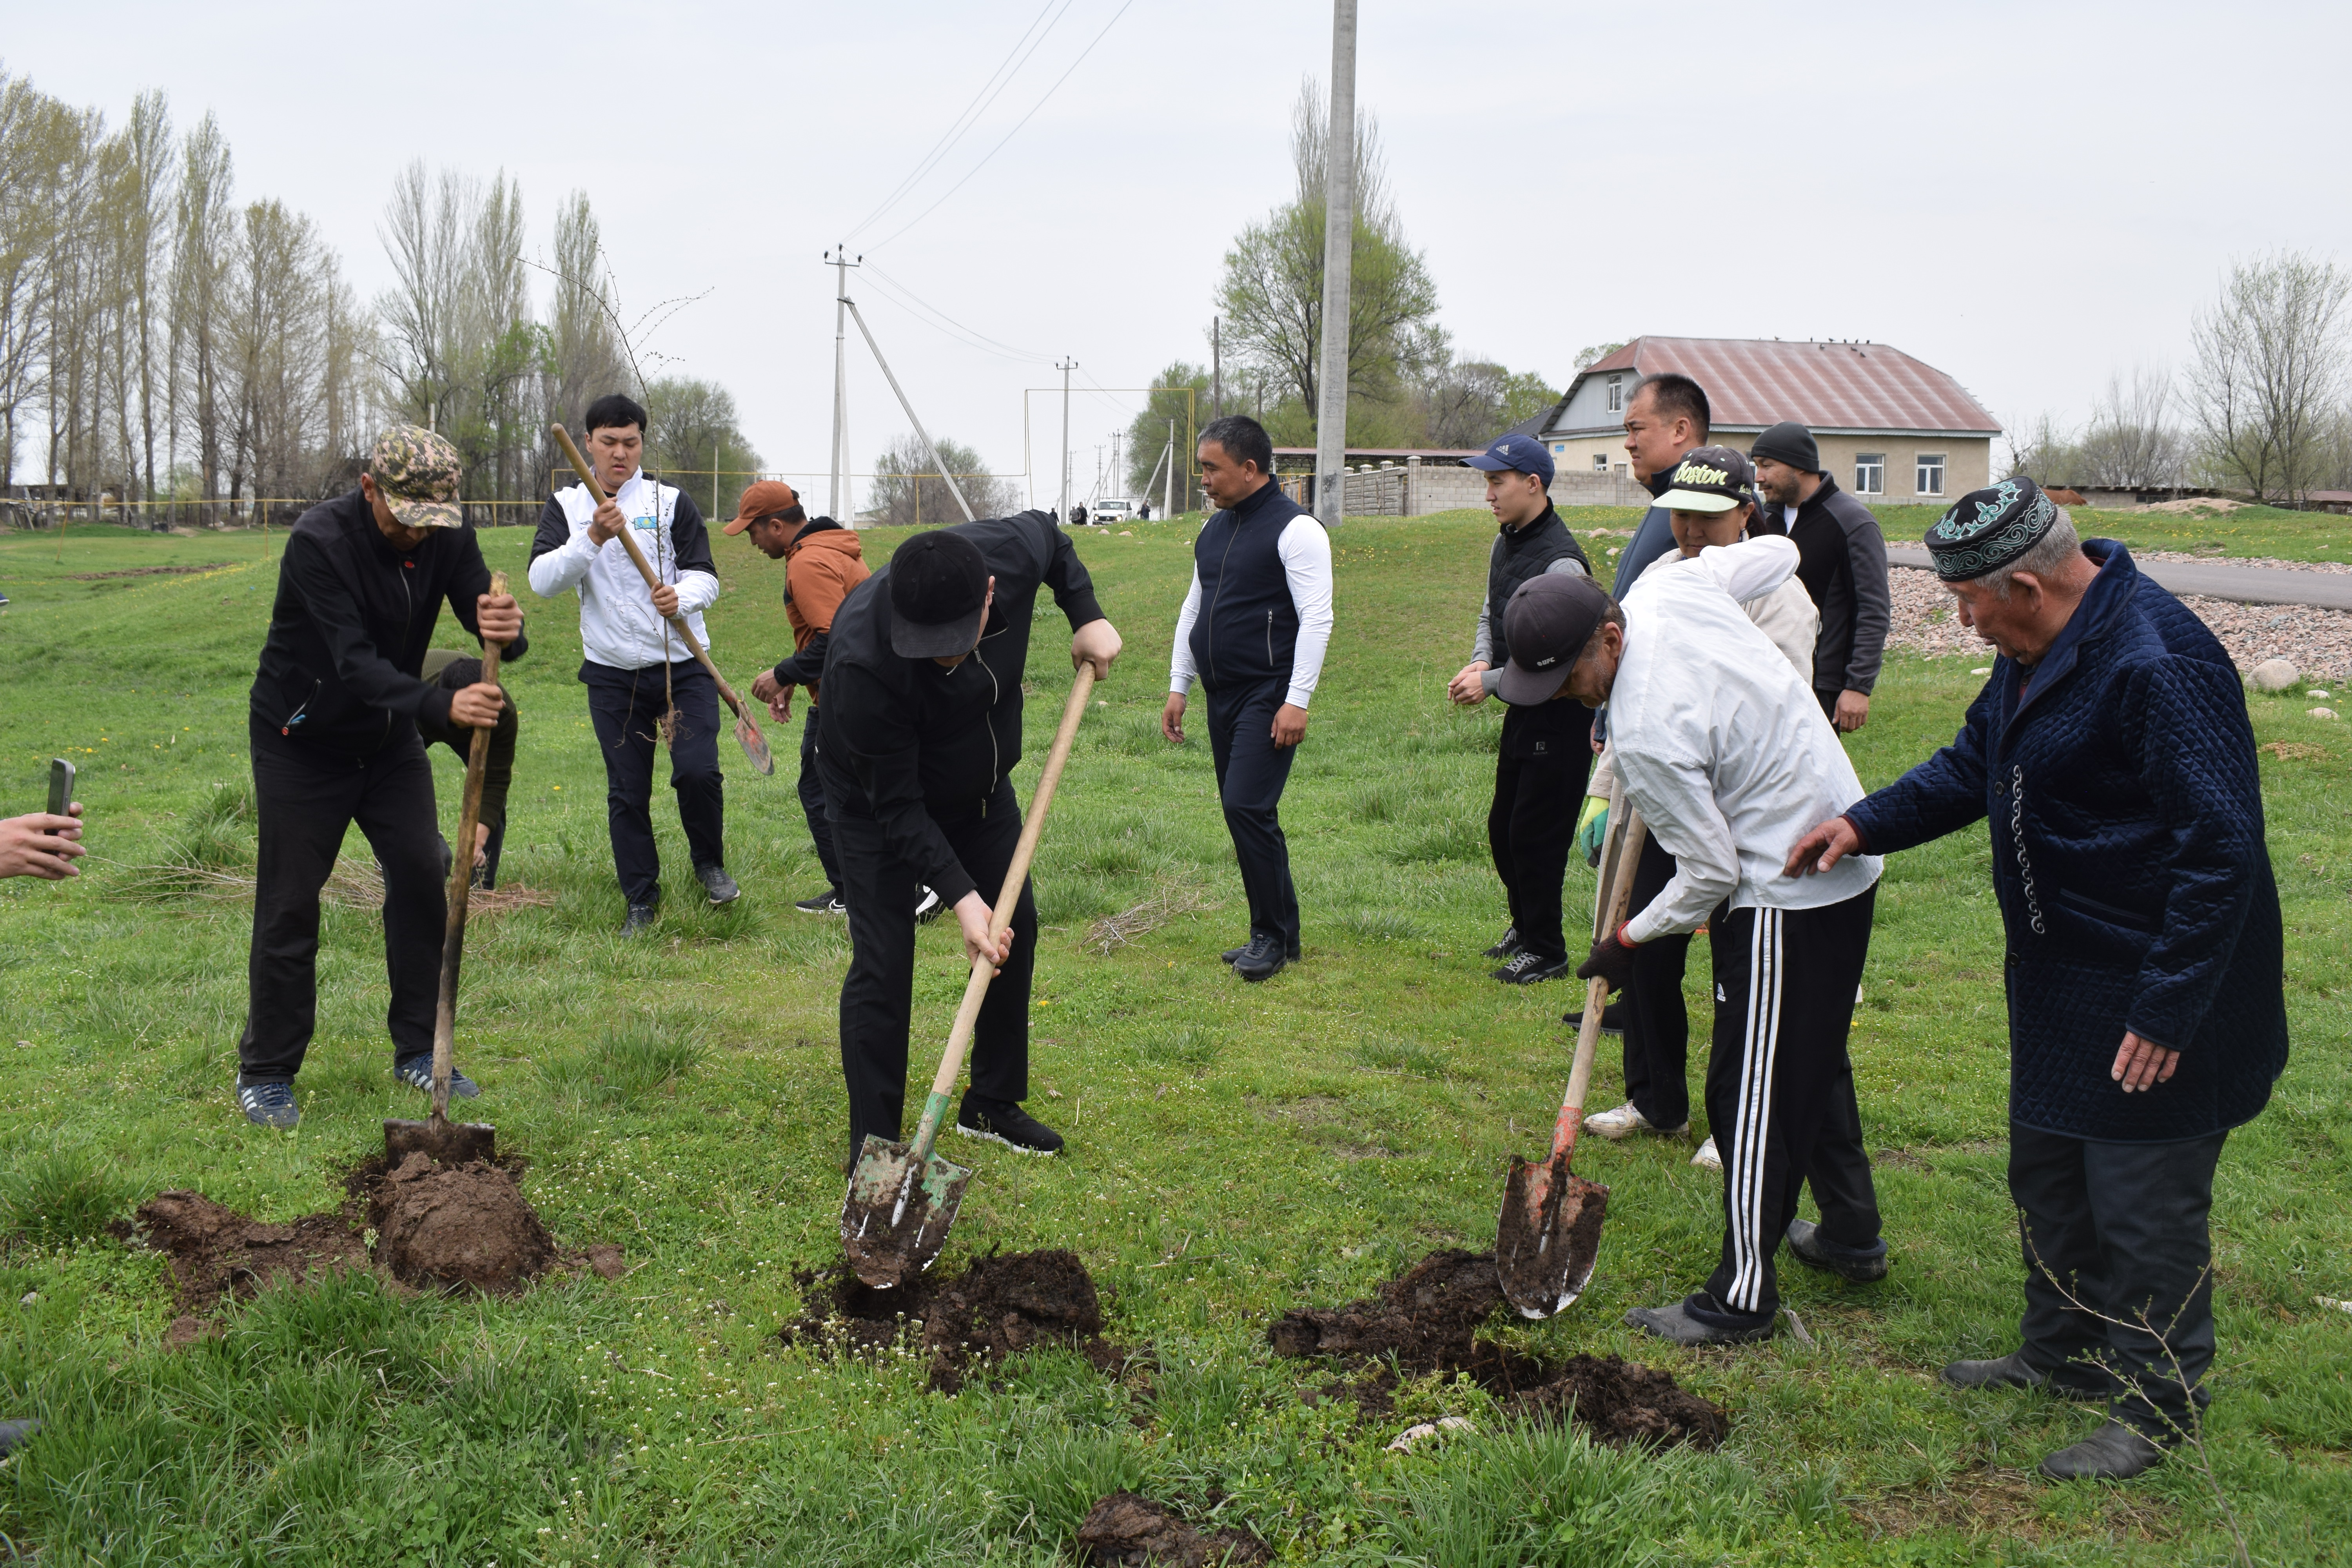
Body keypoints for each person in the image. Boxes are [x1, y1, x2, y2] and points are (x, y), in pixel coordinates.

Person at [1783, 479, 2288, 1482]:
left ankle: (2156, 1400)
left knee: (2141, 1200)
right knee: (2049, 1171)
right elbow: (1978, 762)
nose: (1963, 624)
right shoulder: (2034, 653)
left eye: (1969, 604)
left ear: (2024, 584)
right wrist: (1865, 821)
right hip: (2063, 977)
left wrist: (2169, 1002)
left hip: (2157, 986)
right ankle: (2060, 1351)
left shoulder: (2158, 662)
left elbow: (2221, 850)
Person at [1492, 532, 1884, 1348]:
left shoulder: (1646, 730)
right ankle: (1851, 1233)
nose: (1565, 698)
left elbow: (1706, 873)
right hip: (1839, 837)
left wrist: (1626, 939)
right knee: (1802, 1056)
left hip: (1788, 882)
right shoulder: (1670, 589)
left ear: (1608, 637)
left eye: (1568, 679)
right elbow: (1778, 550)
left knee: (1748, 1090)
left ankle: (1740, 1296)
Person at [238, 426, 525, 1131]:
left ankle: (421, 1050)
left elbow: (486, 621)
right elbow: (354, 662)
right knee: (290, 903)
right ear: (370, 489)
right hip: (301, 740)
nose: (419, 536)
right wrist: (441, 703)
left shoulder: (445, 531)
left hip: (387, 740)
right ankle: (268, 1071)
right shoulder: (319, 542)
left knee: (425, 874)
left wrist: (508, 629)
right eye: (406, 518)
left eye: (434, 521)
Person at [821, 516, 1122, 1165]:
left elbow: (1054, 537)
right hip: (875, 806)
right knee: (885, 959)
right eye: (924, 642)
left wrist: (1086, 614)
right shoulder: (861, 663)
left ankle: (991, 1101)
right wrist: (961, 898)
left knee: (1018, 927)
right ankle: (873, 1144)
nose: (942, 656)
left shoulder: (1009, 555)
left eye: (953, 640)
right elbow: (898, 809)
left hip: (981, 790)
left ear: (990, 593)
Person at [1581, 448, 1833, 1184]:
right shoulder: (1660, 580)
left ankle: (1732, 1123)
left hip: (1746, 818)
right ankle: (1655, 1100)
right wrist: (1604, 788)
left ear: (1746, 515)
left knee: (1738, 969)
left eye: (1706, 516)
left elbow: (1778, 720)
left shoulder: (1782, 599)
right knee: (1645, 950)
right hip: (1663, 801)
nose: (1688, 529)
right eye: (1678, 515)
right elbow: (1624, 695)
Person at [529, 394, 736, 934]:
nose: (620, 453)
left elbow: (706, 576)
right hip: (612, 675)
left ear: (641, 444)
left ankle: (709, 864)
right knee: (628, 791)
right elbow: (542, 581)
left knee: (697, 772)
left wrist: (681, 597)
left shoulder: (670, 502)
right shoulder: (568, 507)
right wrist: (594, 536)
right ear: (589, 443)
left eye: (631, 442)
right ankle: (640, 899)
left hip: (683, 667)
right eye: (608, 442)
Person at [1161, 415, 1334, 982]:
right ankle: (1280, 931)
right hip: (1222, 695)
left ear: (1250, 469)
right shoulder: (1213, 531)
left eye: (1212, 468)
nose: (1204, 480)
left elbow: (1317, 618)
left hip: (1270, 692)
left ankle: (1271, 937)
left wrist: (1297, 699)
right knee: (1247, 815)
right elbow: (1195, 609)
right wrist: (1178, 685)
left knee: (1246, 807)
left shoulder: (1297, 529)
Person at [1446, 432, 1593, 985]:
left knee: (1537, 836)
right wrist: (1479, 663)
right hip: (1522, 704)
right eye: (1486, 481)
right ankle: (1524, 925)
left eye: (1497, 481)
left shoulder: (1562, 566)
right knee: (1504, 827)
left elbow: (1566, 664)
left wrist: (1487, 681)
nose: (1488, 493)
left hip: (1562, 714)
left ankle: (1547, 949)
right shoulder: (1506, 540)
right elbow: (1493, 613)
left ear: (1533, 485)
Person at [731, 482, 882, 916]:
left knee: (825, 792)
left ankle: (865, 890)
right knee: (834, 789)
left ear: (776, 525)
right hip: (848, 690)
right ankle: (859, 886)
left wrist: (782, 674)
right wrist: (799, 677)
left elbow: (839, 638)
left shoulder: (808, 562)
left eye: (753, 532)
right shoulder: (828, 549)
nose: (753, 542)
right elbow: (829, 632)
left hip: (850, 693)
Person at [1751, 421, 1889, 733]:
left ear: (1799, 466)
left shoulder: (1853, 522)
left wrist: (1858, 686)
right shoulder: (1766, 518)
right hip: (1764, 672)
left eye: (1767, 466)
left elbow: (1873, 610)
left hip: (1820, 683)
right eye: (1757, 466)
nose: (1758, 477)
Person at [1606, 373, 1718, 599]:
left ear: (1679, 431)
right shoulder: (1667, 493)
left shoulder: (1717, 497)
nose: (1628, 443)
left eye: (1636, 429)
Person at [418, 648, 518, 890]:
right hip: (422, 717)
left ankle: (480, 885)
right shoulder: (416, 703)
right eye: (472, 710)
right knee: (405, 780)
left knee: (490, 798)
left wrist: (477, 841)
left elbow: (495, 781)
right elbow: (394, 779)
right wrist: (430, 839)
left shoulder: (501, 713)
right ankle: (397, 864)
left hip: (469, 721)